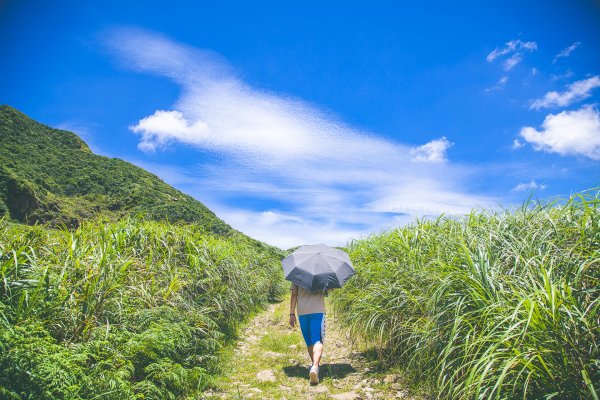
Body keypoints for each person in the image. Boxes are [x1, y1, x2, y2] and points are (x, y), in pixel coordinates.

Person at [289, 283, 327, 385]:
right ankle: (315, 366)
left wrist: (292, 313)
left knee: (309, 341)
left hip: (303, 312)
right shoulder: (322, 275)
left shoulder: (297, 274)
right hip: (318, 311)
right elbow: (329, 290)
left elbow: (294, 294)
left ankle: (314, 367)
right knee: (317, 340)